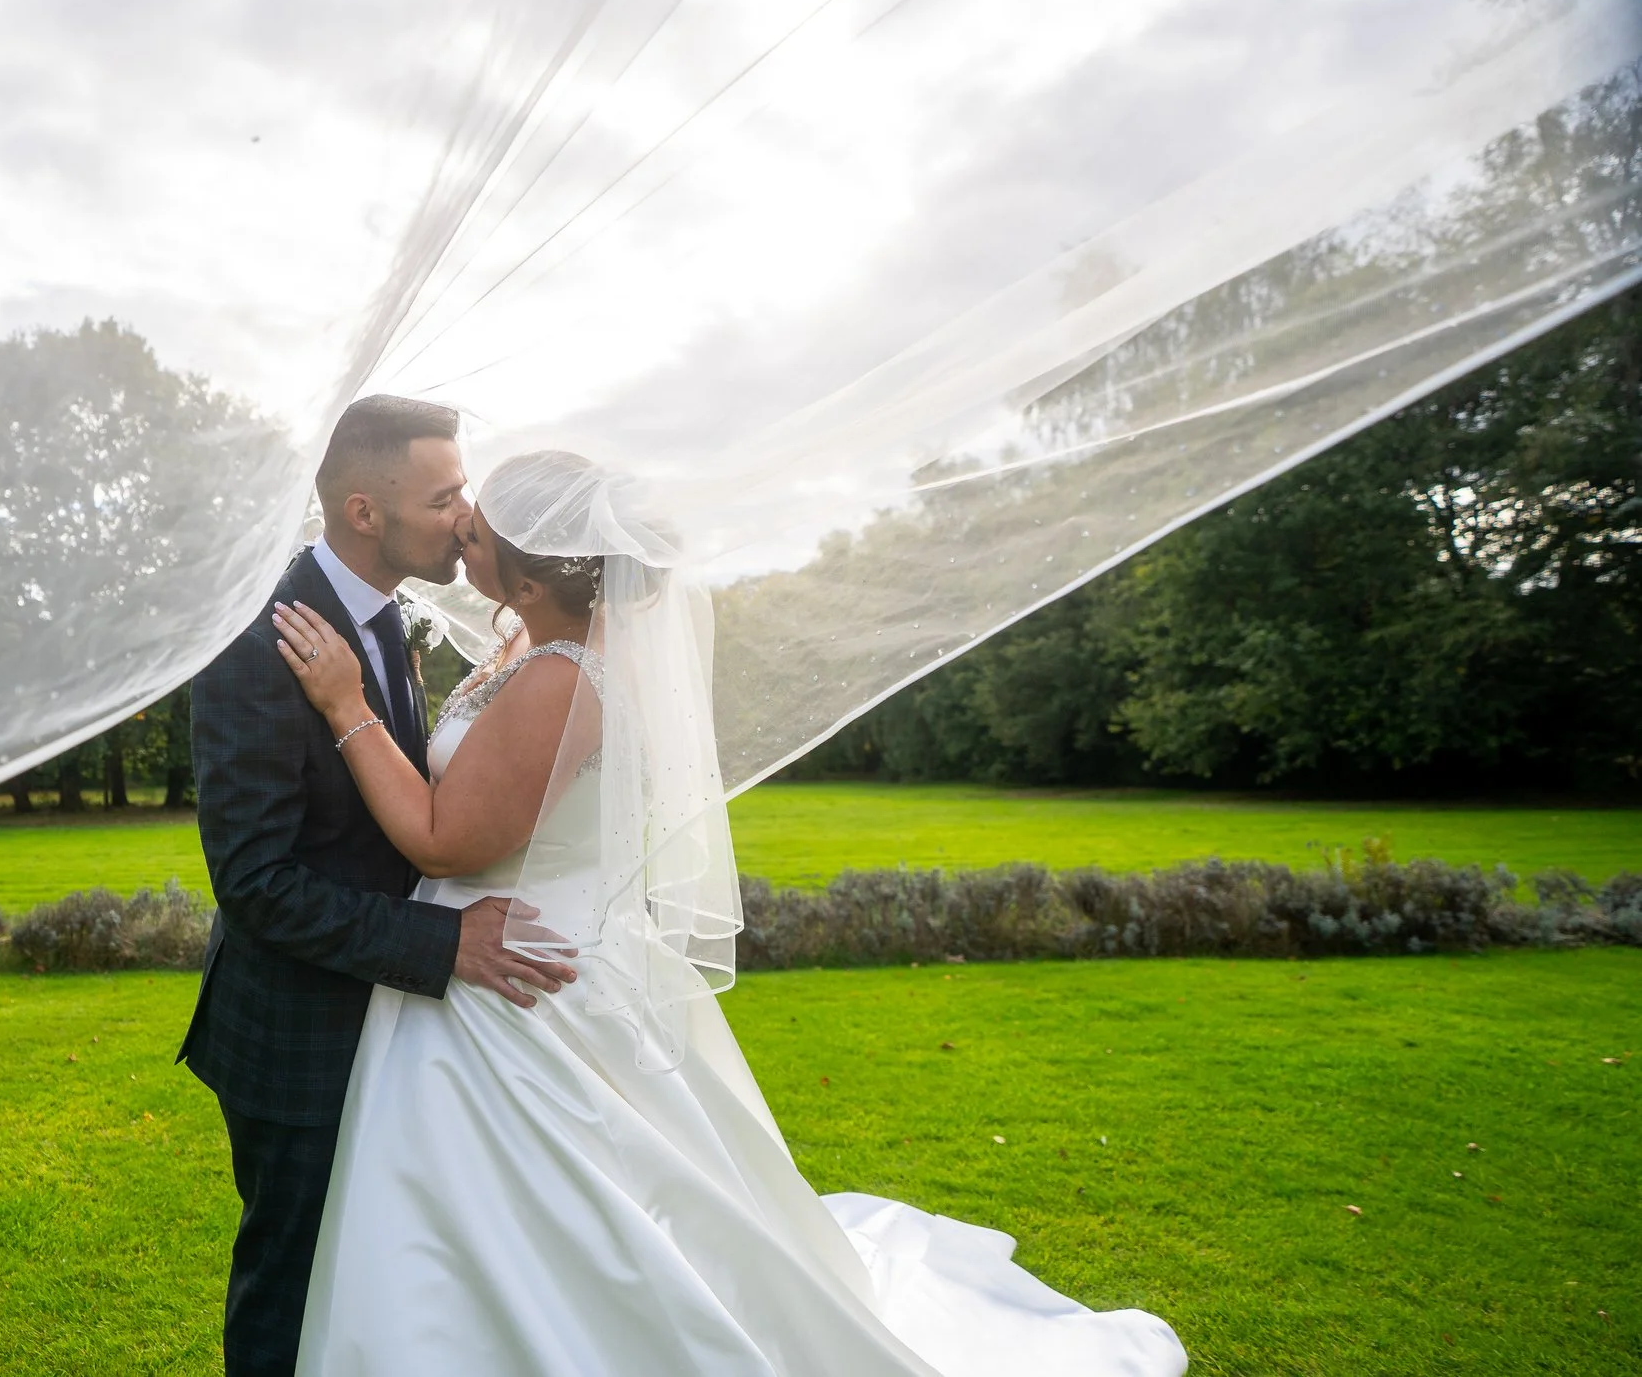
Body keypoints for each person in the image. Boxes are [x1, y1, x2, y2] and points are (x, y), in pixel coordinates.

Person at [264, 446, 1192, 1375]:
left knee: (553, 1221)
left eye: (479, 526)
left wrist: (346, 703)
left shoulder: (560, 676)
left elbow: (442, 840)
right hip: (497, 958)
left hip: (520, 975)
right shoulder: (529, 643)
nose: (463, 526)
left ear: (537, 573)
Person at [180, 395, 577, 1377]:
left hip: (400, 1029)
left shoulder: (382, 618)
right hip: (299, 1035)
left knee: (383, 1287)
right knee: (293, 1284)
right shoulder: (257, 642)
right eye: (445, 494)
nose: (465, 515)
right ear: (366, 511)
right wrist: (443, 941)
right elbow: (257, 883)